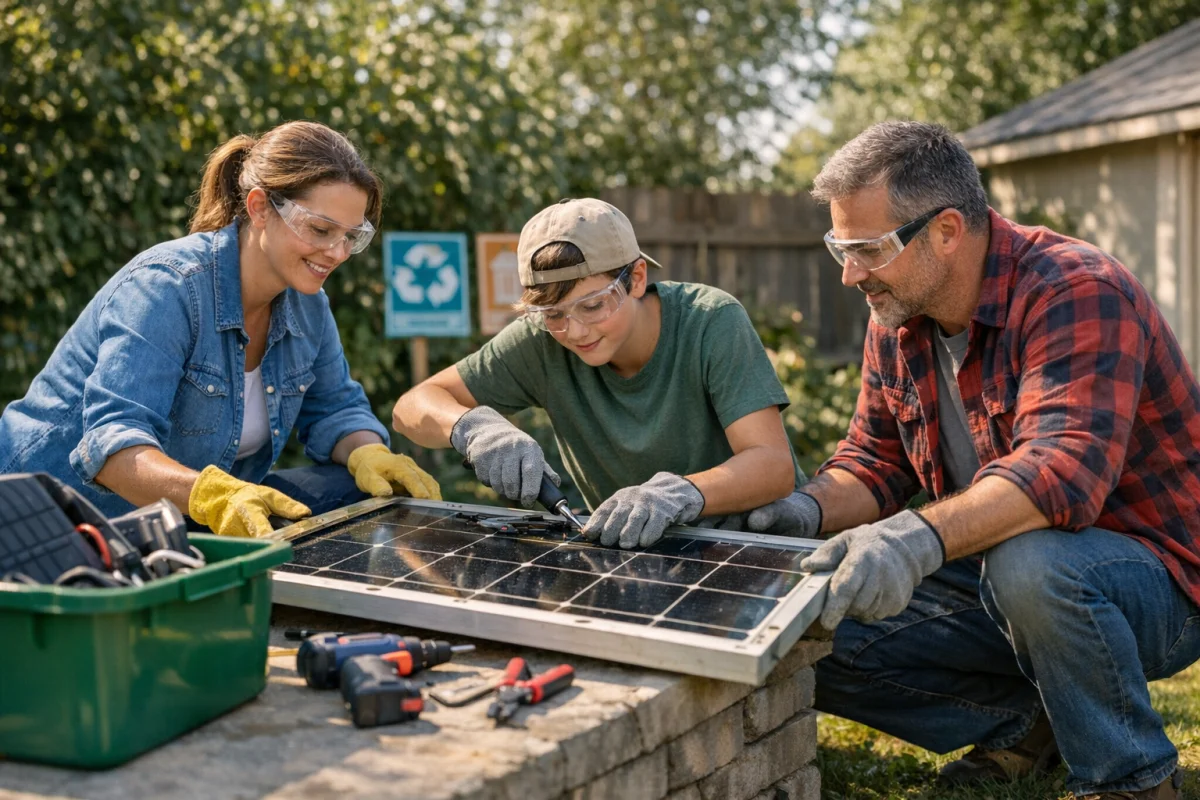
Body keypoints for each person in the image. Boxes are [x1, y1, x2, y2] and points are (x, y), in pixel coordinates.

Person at [780, 121, 1200, 800]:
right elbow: (875, 462)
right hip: (1000, 580)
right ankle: (1032, 722)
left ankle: (1132, 780)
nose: (850, 273)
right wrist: (796, 511)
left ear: (946, 231)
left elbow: (1062, 473)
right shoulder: (896, 313)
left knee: (1031, 564)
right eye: (840, 247)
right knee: (801, 625)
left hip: (1159, 583)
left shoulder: (1076, 290)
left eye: (868, 249)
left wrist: (916, 538)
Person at [0, 121, 440, 537]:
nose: (337, 252)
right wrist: (212, 495)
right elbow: (111, 453)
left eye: (351, 236)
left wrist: (368, 452)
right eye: (321, 229)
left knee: (359, 492)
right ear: (261, 208)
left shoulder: (309, 305)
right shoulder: (168, 287)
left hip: (176, 518)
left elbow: (335, 410)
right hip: (50, 521)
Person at [391, 197, 803, 549]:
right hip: (634, 561)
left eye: (592, 306)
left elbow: (772, 465)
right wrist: (474, 428)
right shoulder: (542, 341)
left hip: (750, 551)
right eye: (553, 314)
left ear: (636, 278)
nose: (575, 331)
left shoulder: (711, 321)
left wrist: (682, 494)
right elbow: (410, 409)